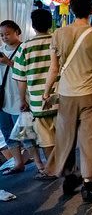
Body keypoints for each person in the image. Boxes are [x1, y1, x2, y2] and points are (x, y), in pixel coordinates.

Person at [42, 0, 92, 202]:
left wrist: (46, 92)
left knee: (66, 137)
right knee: (89, 139)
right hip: (90, 94)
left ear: (71, 9)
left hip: (66, 94)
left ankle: (69, 176)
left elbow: (54, 69)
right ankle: (88, 185)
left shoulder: (59, 34)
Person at [11, 10, 58, 179]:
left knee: (46, 138)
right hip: (62, 97)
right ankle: (67, 167)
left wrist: (22, 99)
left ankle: (51, 169)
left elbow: (21, 79)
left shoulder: (24, 47)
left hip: (39, 102)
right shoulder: (58, 42)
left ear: (33, 25)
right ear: (50, 23)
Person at [1, 19, 42, 176]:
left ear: (17, 32)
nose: (4, 37)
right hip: (3, 98)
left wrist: (8, 62)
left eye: (7, 34)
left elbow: (28, 71)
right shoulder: (1, 50)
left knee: (26, 134)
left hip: (20, 97)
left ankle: (39, 164)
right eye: (1, 35)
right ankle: (18, 163)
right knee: (7, 132)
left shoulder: (24, 49)